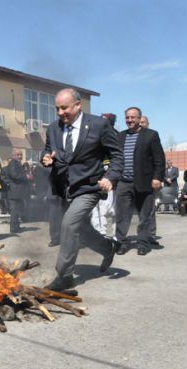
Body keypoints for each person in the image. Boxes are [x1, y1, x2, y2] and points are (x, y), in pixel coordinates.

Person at [41, 88, 123, 291]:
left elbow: (117, 156)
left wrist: (110, 177)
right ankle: (108, 247)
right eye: (57, 109)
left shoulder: (98, 125)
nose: (60, 113)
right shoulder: (53, 128)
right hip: (62, 188)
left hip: (88, 187)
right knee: (83, 231)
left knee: (68, 224)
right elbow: (47, 150)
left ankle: (64, 275)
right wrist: (45, 158)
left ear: (78, 105)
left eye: (64, 108)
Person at [115, 107, 166, 256]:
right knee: (122, 215)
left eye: (133, 117)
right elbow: (115, 158)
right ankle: (121, 243)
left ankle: (143, 243)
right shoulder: (120, 136)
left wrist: (157, 177)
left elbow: (159, 159)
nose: (130, 120)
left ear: (139, 119)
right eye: (127, 117)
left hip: (144, 182)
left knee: (145, 215)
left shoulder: (151, 135)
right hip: (123, 182)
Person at [4, 149, 29, 233]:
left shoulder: (17, 163)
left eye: (21, 155)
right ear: (13, 155)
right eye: (17, 155)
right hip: (14, 191)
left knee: (17, 210)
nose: (20, 156)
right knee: (14, 211)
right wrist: (26, 177)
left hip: (17, 191)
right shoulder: (13, 163)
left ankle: (16, 227)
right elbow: (14, 175)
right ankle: (14, 229)